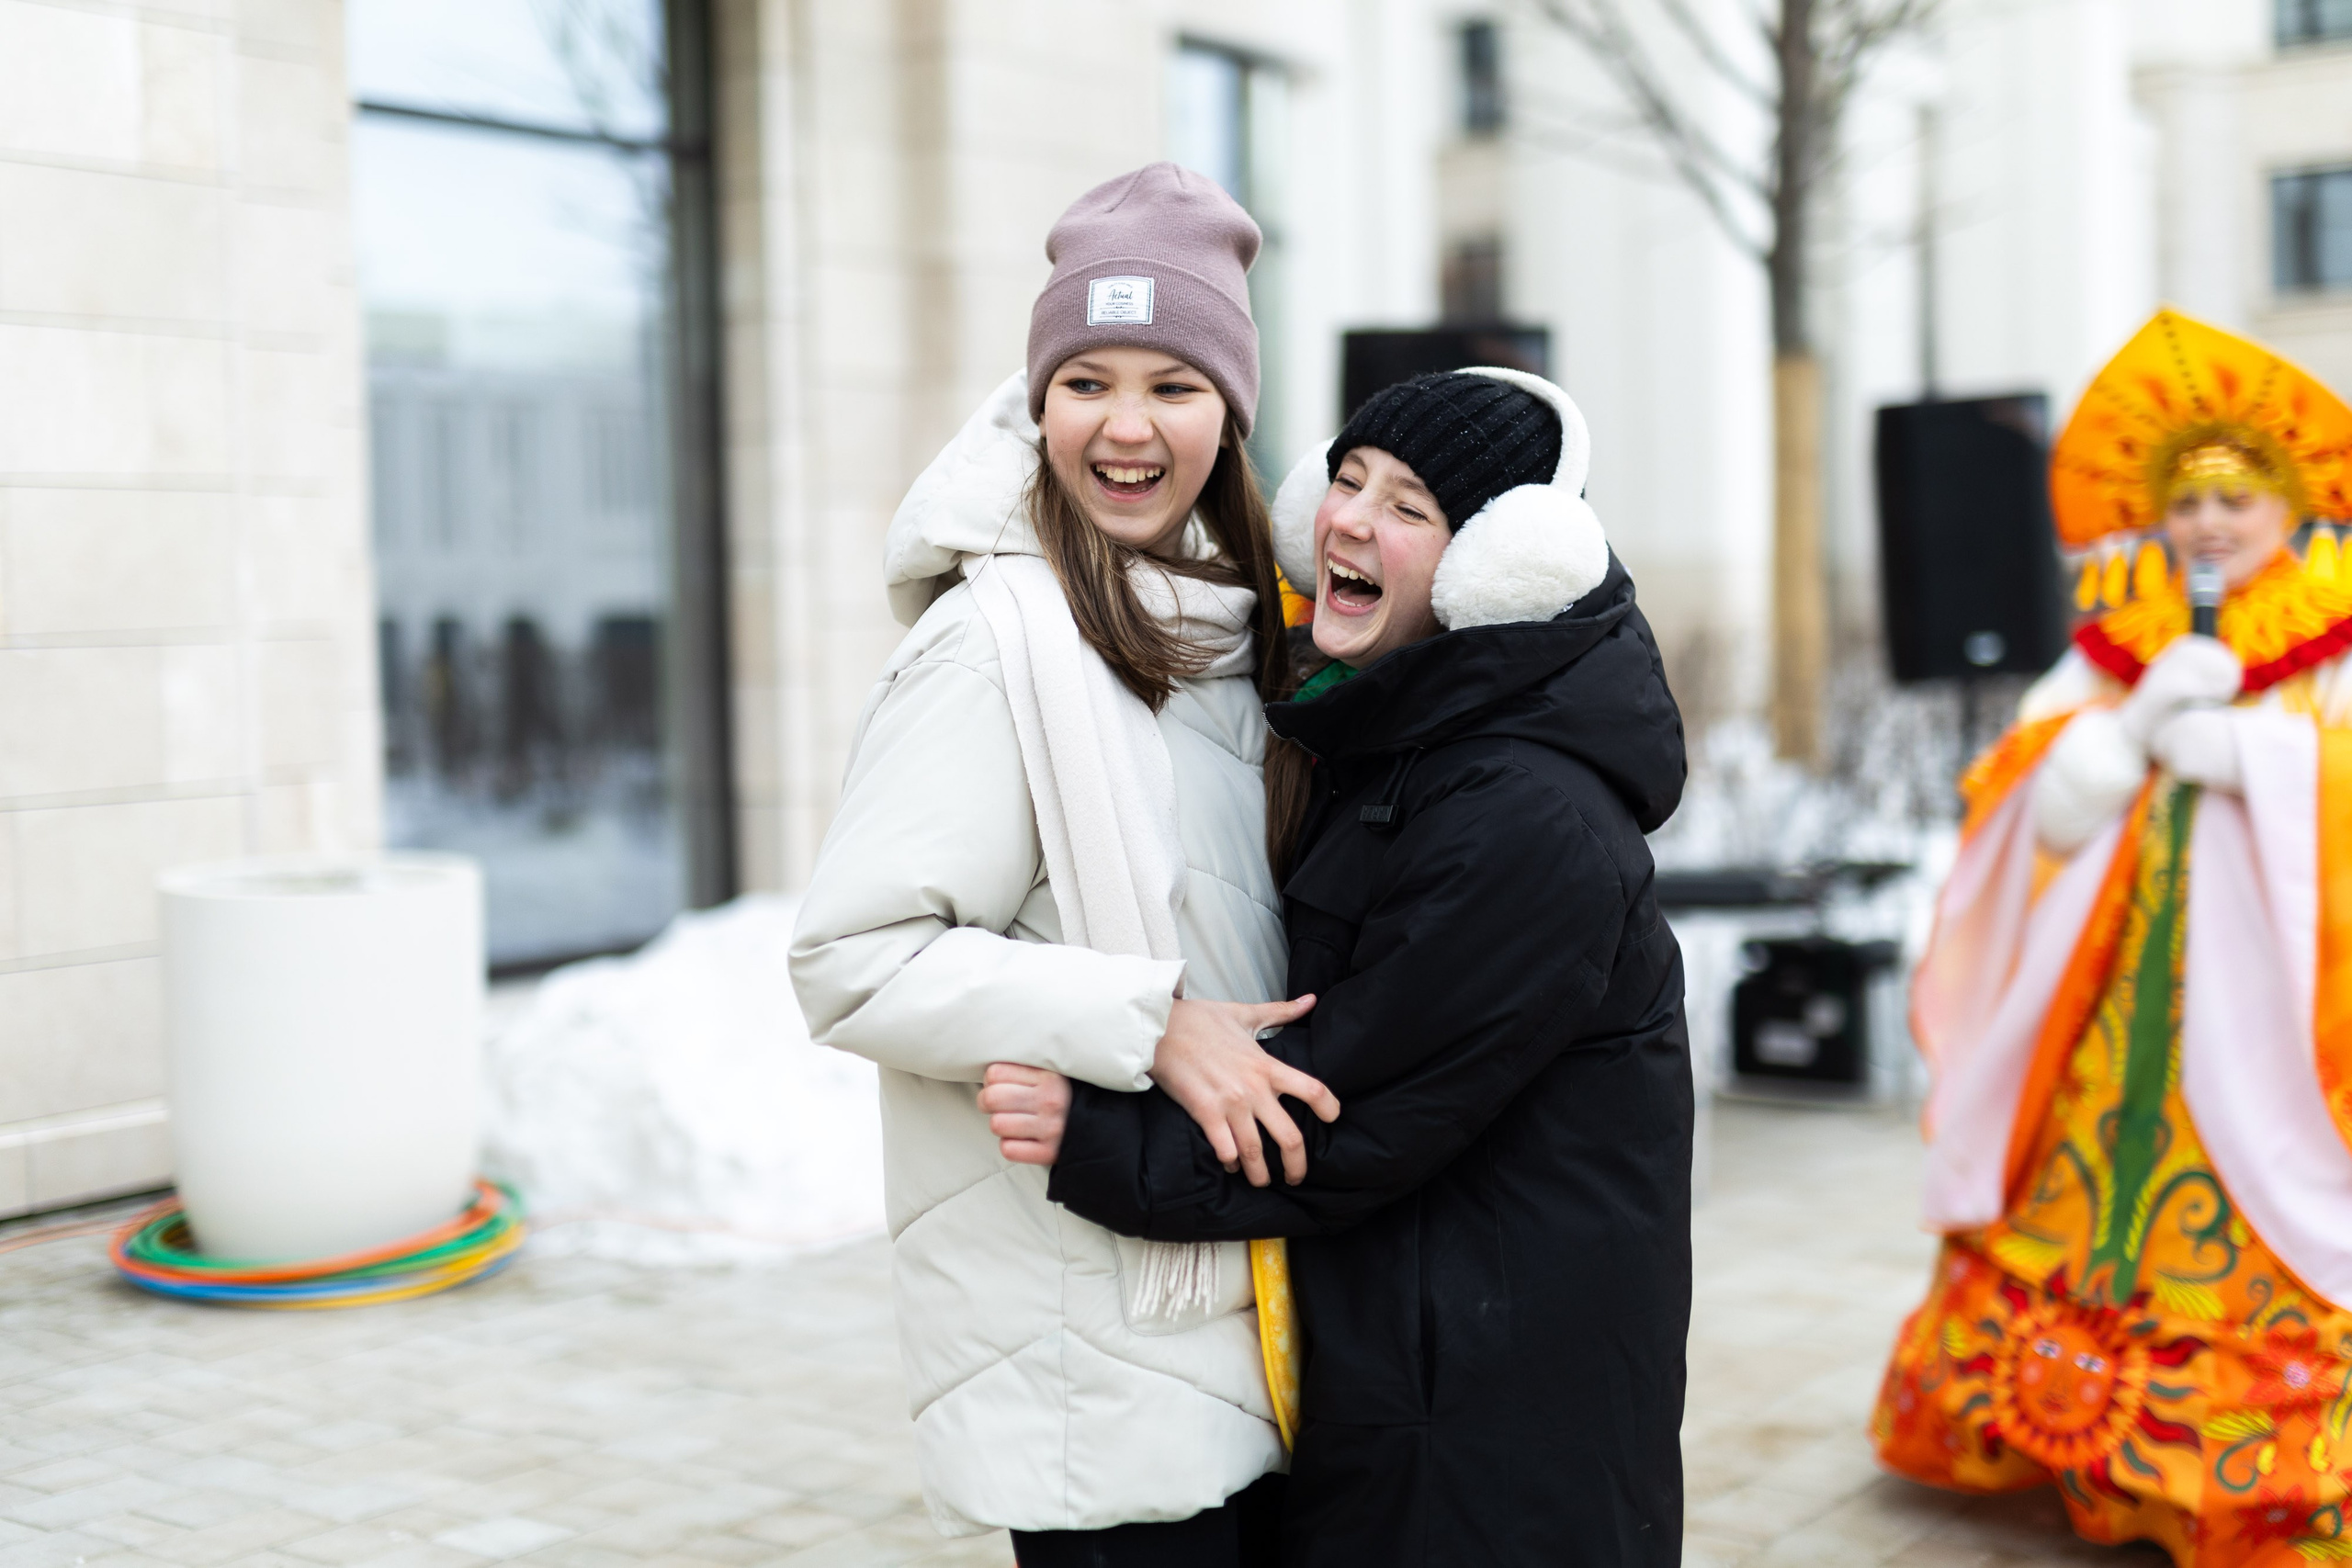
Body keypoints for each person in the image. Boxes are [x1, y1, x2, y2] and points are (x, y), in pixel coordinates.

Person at [982, 369, 1694, 1567]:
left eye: (1411, 507)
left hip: (1495, 1449)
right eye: (1348, 480)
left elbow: (1351, 1111)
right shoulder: (1413, 742)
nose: (1350, 520)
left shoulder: (1524, 816)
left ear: (1497, 568)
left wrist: (1097, 1133)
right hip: (1428, 1381)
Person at [788, 164, 1340, 1564]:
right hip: (1085, 1344)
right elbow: (854, 962)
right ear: (1039, 404)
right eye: (1087, 379)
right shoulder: (996, 646)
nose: (1128, 426)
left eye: (1175, 383)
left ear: (1233, 412)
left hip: (1228, 1299)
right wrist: (1150, 1026)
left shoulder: (1243, 629)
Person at [1871, 308, 2352, 1565]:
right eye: (2186, 500)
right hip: (2113, 1002)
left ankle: (2244, 1479)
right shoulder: (2114, 640)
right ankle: (2080, 1443)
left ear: (2292, 501)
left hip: (2289, 1026)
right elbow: (2028, 797)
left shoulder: (2336, 636)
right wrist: (2132, 727)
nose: (2206, 523)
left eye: (2236, 496)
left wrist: (2257, 754)